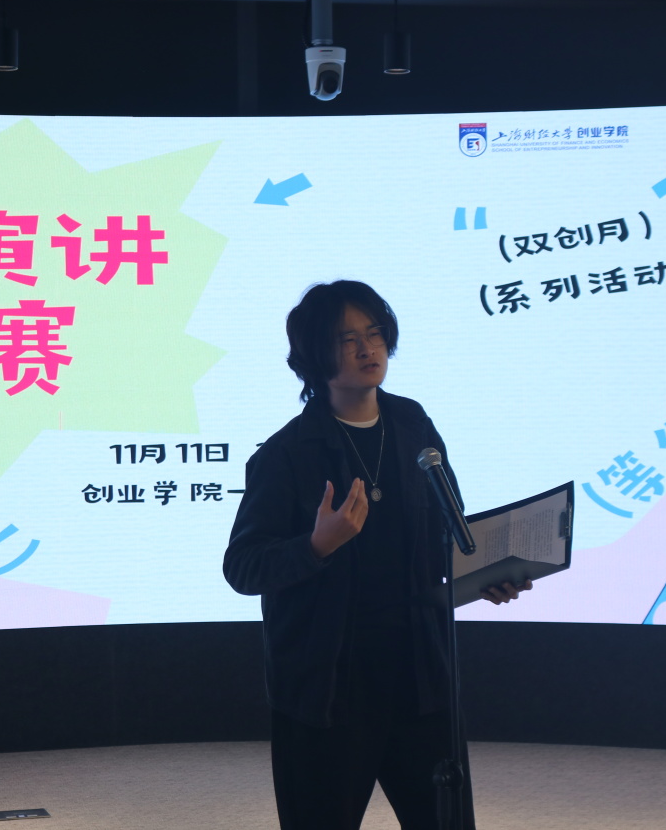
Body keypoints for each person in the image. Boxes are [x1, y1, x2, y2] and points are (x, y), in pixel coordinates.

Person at [223, 281, 528, 830]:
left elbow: (449, 528)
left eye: (375, 333)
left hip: (420, 675)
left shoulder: (412, 425)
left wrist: (484, 574)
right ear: (314, 355)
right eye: (348, 340)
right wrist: (317, 545)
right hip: (329, 688)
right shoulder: (287, 454)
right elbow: (243, 567)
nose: (368, 349)